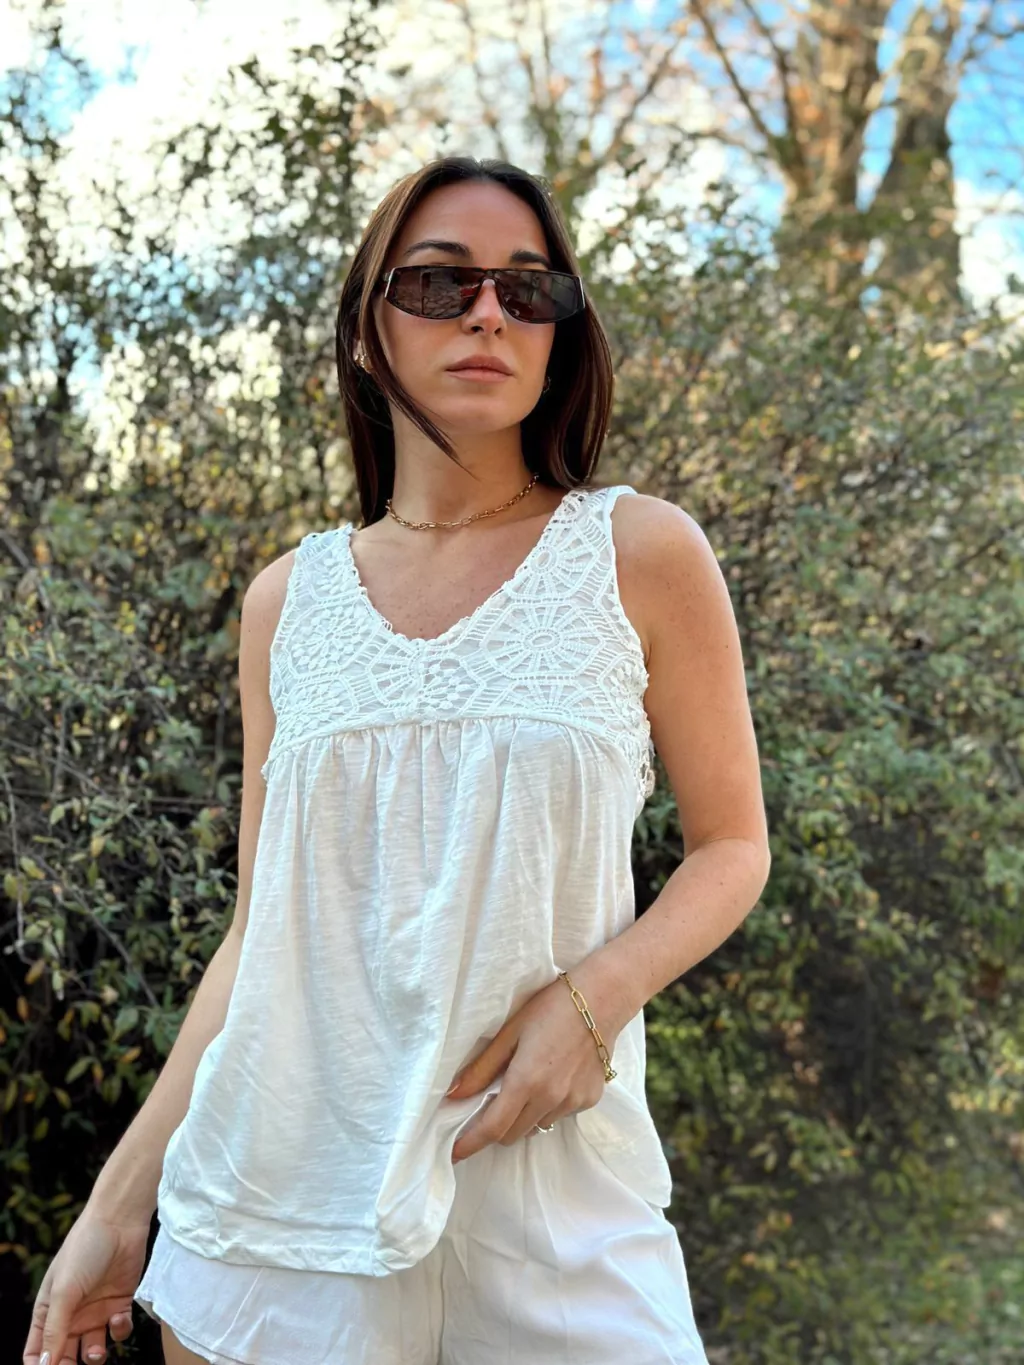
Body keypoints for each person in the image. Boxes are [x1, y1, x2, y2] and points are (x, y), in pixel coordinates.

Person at [25, 155, 771, 1365]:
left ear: (560, 336)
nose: (488, 313)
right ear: (366, 331)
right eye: (438, 283)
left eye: (529, 290)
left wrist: (594, 1002)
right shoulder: (286, 602)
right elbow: (261, 935)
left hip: (549, 1188)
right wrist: (116, 1211)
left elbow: (732, 847)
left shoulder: (638, 553)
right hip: (276, 1215)